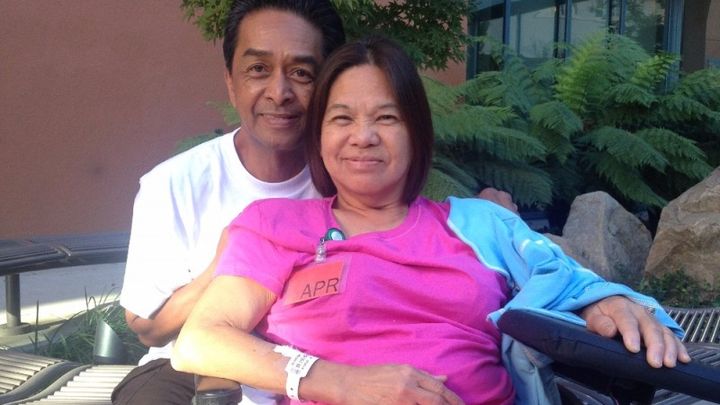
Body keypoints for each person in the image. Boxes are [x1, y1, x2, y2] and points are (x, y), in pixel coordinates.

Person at [171, 36, 690, 405]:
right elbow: (202, 339)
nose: (363, 137)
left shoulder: (481, 225)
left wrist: (606, 303)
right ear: (320, 136)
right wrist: (341, 382)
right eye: (342, 118)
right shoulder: (276, 225)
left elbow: (564, 280)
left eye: (386, 117)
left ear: (416, 133)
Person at [114, 1, 513, 404]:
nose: (279, 92)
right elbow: (152, 328)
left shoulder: (354, 172)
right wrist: (225, 261)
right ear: (231, 83)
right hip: (196, 372)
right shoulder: (176, 184)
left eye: (302, 73)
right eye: (258, 69)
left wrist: (492, 227)